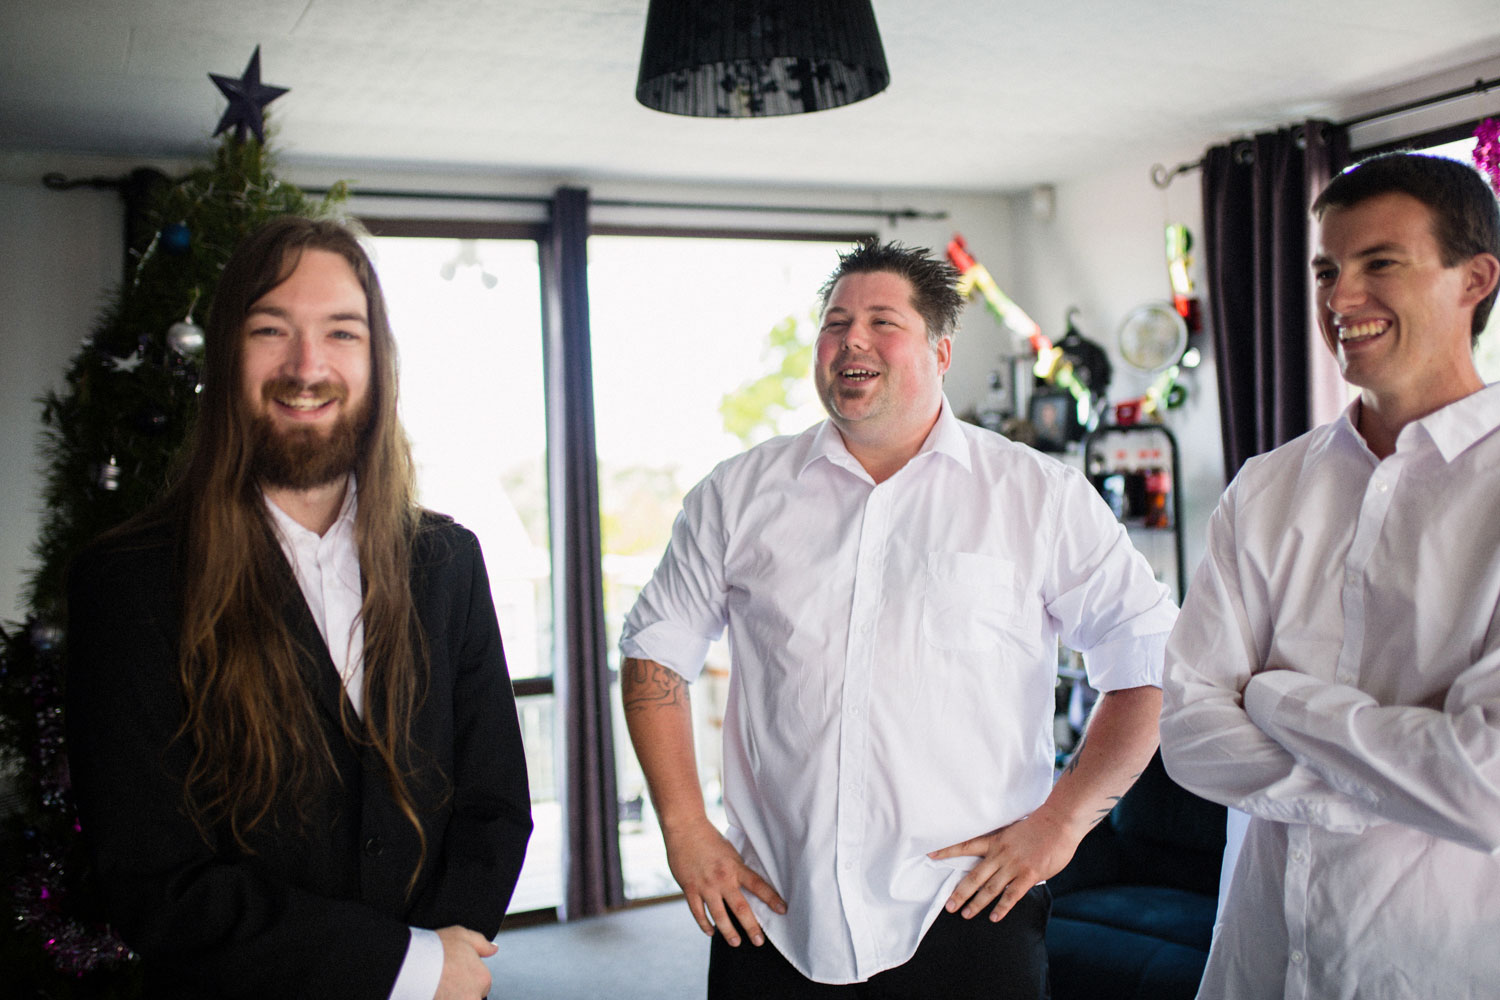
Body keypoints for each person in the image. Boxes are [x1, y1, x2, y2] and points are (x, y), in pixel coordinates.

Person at [620, 240, 1176, 997]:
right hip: (771, 910)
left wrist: (1066, 821)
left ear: (941, 351)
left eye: (883, 321)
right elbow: (655, 652)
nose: (851, 338)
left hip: (968, 906)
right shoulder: (736, 495)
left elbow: (1147, 659)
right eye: (835, 321)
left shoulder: (1036, 495)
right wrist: (684, 827)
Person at [65, 216, 533, 1000]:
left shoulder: (448, 561)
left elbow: (494, 804)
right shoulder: (127, 581)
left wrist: (444, 962)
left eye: (341, 333)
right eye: (271, 329)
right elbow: (157, 882)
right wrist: (402, 968)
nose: (307, 366)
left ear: (378, 362)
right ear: (226, 353)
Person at [1159, 151, 1500, 999]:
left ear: (1476, 279)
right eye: (1325, 270)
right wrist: (1386, 785)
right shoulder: (1266, 486)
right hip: (1255, 966)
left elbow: (1481, 785)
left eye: (1379, 263)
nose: (1339, 300)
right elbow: (1189, 736)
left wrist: (1276, 700)